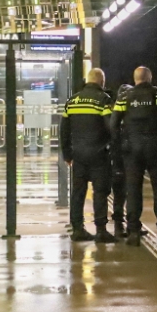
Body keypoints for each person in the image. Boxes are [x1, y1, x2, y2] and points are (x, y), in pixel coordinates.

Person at [111, 66, 157, 246]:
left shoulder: (124, 97)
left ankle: (133, 233)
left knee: (133, 191)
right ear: (150, 78)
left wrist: (122, 142)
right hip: (155, 148)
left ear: (135, 79)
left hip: (132, 150)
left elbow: (114, 123)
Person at [59, 68, 116, 244]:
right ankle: (100, 231)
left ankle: (77, 229)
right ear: (102, 82)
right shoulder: (103, 100)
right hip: (98, 154)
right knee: (100, 193)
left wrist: (67, 154)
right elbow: (111, 127)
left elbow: (64, 130)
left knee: (78, 193)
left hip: (78, 156)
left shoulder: (72, 101)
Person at [106, 83, 133, 238]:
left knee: (122, 192)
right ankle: (123, 224)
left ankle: (122, 224)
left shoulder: (114, 112)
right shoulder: (126, 113)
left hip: (118, 156)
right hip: (122, 156)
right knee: (125, 191)